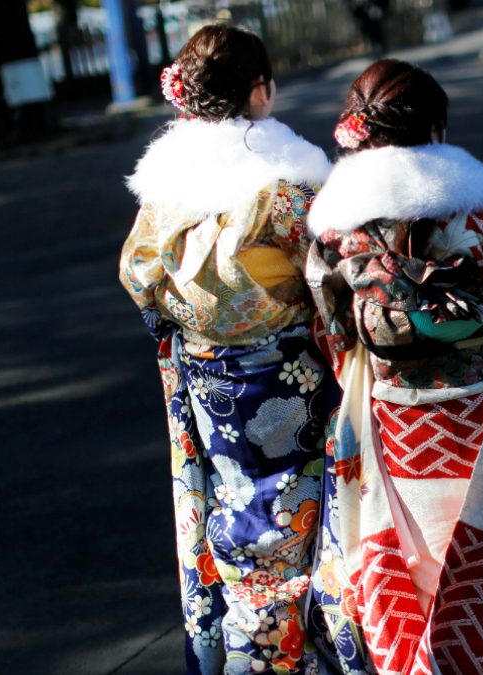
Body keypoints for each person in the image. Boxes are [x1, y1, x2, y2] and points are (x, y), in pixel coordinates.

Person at [304, 59, 483, 674]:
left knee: (409, 553)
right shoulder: (474, 208)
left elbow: (332, 330)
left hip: (397, 423)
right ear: (434, 127)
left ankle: (414, 659)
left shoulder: (337, 224)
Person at [118, 25, 336, 675]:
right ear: (260, 92)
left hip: (207, 377)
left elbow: (138, 276)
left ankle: (241, 654)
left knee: (235, 516)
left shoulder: (167, 190)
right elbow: (328, 276)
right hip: (289, 377)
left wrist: (195, 322)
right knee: (298, 525)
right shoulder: (285, 184)